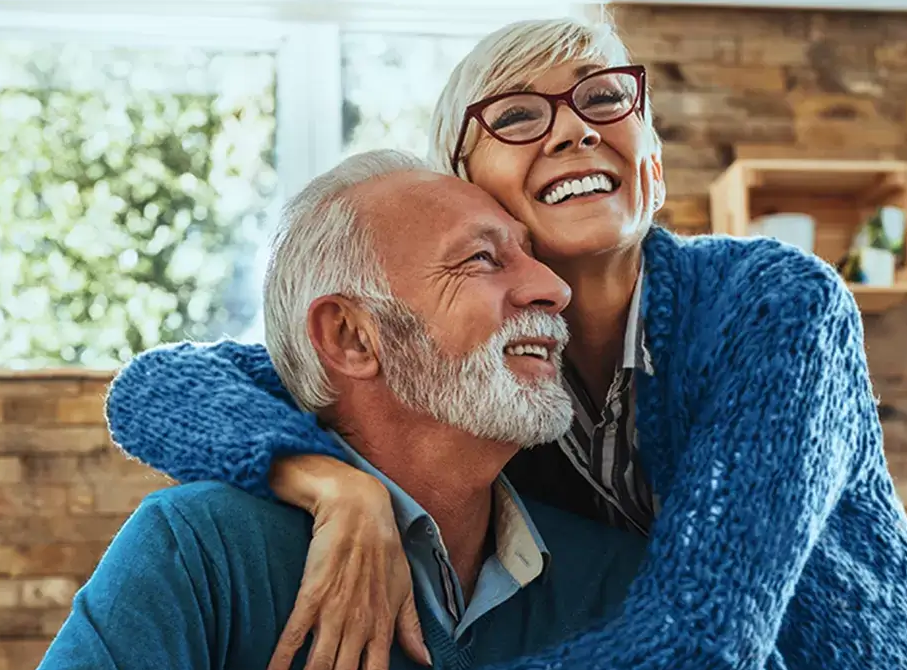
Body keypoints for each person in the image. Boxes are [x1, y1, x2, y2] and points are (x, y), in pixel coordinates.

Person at [103, 16, 907, 670]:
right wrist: (333, 484)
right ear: (464, 187)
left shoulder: (775, 305)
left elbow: (701, 642)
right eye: (519, 116)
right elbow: (157, 389)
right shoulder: (487, 370)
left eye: (606, 99)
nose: (575, 127)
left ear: (651, 156)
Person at [40, 151, 651, 670]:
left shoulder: (620, 582)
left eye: (529, 254)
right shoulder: (203, 552)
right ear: (352, 338)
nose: (554, 288)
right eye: (483, 259)